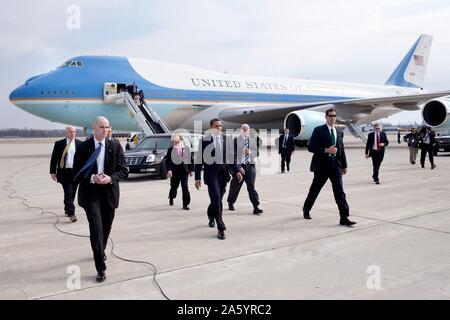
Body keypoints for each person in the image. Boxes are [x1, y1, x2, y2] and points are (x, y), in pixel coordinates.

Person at [73, 116, 128, 282]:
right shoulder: (83, 147)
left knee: (106, 227)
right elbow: (77, 172)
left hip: (109, 193)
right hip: (90, 194)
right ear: (94, 128)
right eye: (101, 127)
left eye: (107, 127)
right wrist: (92, 178)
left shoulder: (115, 145)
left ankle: (100, 250)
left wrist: (110, 178)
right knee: (96, 229)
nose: (105, 130)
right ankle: (100, 268)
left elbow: (123, 170)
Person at [302, 108, 356, 226]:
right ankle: (306, 208)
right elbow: (311, 147)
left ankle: (344, 217)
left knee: (340, 192)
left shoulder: (339, 132)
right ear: (326, 117)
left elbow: (341, 150)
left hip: (335, 165)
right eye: (330, 116)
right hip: (322, 166)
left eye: (334, 116)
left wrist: (344, 165)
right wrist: (326, 150)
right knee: (315, 190)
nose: (332, 118)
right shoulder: (318, 130)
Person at [195, 119, 232, 240]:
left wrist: (238, 170)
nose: (219, 128)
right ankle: (221, 228)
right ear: (211, 128)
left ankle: (211, 215)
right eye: (216, 126)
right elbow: (199, 159)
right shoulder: (205, 141)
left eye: (220, 126)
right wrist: (197, 178)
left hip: (223, 174)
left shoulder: (227, 139)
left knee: (218, 199)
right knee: (216, 198)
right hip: (211, 175)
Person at [227, 124, 263, 215]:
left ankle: (256, 206)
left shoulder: (252, 141)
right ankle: (231, 202)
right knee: (235, 187)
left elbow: (257, 153)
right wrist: (238, 168)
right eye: (243, 129)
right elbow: (232, 156)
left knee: (251, 187)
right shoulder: (235, 141)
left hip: (250, 167)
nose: (245, 131)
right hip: (239, 167)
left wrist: (250, 152)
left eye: (247, 130)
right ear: (241, 130)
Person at [49, 126, 82, 222]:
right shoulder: (59, 144)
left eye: (74, 132)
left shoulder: (80, 144)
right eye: (71, 132)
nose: (73, 133)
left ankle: (67, 208)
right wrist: (52, 172)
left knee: (72, 193)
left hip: (75, 172)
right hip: (64, 172)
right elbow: (54, 158)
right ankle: (72, 213)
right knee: (68, 192)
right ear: (66, 133)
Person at [166, 134, 194, 210]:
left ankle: (185, 204)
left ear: (181, 140)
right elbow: (167, 161)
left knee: (185, 187)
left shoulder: (186, 149)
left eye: (177, 140)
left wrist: (191, 170)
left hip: (184, 171)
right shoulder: (170, 149)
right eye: (174, 141)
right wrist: (169, 170)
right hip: (174, 172)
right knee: (174, 187)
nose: (175, 142)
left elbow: (190, 160)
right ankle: (171, 197)